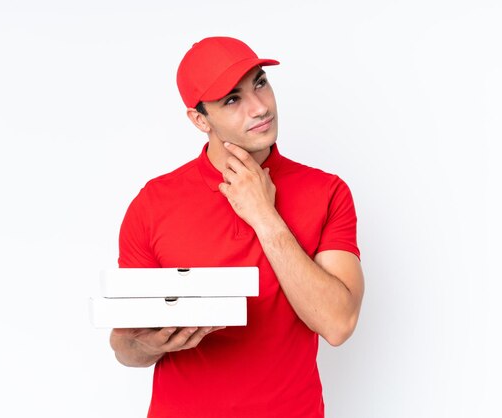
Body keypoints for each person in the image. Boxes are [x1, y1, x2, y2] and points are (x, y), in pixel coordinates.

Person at [109, 36, 364, 417]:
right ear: (200, 120)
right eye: (232, 99)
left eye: (260, 83)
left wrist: (264, 216)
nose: (260, 107)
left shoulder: (327, 192)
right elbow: (124, 347)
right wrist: (150, 345)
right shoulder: (153, 203)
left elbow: (338, 324)